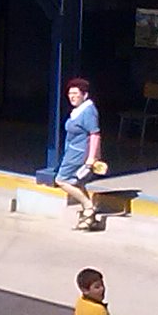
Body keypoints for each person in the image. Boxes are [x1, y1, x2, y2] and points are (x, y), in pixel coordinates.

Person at [55, 78, 104, 231]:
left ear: (85, 94)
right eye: (70, 94)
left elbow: (95, 134)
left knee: (62, 180)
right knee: (77, 182)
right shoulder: (78, 111)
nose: (72, 96)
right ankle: (90, 218)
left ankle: (88, 207)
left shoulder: (88, 112)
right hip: (72, 151)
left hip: (79, 154)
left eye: (76, 93)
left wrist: (91, 158)